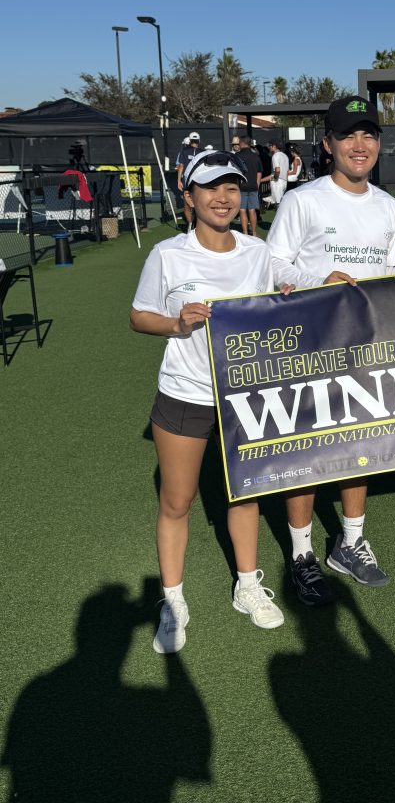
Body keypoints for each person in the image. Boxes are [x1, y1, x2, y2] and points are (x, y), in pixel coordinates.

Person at [130, 149, 285, 653]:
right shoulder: (168, 254)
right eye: (211, 187)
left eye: (231, 186)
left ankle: (247, 585)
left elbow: (286, 299)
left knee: (245, 493)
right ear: (190, 196)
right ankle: (172, 600)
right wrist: (177, 324)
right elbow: (140, 316)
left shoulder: (257, 252)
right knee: (177, 502)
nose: (223, 197)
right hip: (186, 393)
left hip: (246, 396)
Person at [266, 96, 395, 606]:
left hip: (368, 348)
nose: (359, 145)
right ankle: (301, 553)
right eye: (348, 136)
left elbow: (394, 278)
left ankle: (350, 542)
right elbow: (274, 264)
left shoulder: (389, 208)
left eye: (368, 134)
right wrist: (318, 280)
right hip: (309, 345)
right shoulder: (304, 200)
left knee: (358, 445)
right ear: (328, 145)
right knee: (306, 449)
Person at [236, 135, 263, 235]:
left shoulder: (237, 156)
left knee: (242, 210)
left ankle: (245, 232)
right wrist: (257, 183)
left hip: (241, 187)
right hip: (253, 186)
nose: (238, 144)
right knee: (252, 210)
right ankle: (254, 233)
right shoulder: (256, 156)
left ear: (242, 143)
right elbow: (259, 172)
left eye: (239, 142)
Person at [176, 132, 201, 227]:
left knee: (187, 204)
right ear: (199, 141)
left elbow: (181, 166)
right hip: (199, 181)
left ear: (190, 141)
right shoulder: (202, 152)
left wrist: (178, 180)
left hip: (187, 181)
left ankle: (191, 225)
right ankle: (197, 226)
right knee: (199, 203)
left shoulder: (184, 151)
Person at [264, 140, 289, 207]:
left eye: (270, 146)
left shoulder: (275, 156)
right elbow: (286, 171)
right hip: (284, 181)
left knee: (278, 203)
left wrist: (275, 178)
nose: (269, 147)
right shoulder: (285, 156)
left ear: (274, 146)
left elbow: (277, 170)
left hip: (277, 181)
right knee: (280, 202)